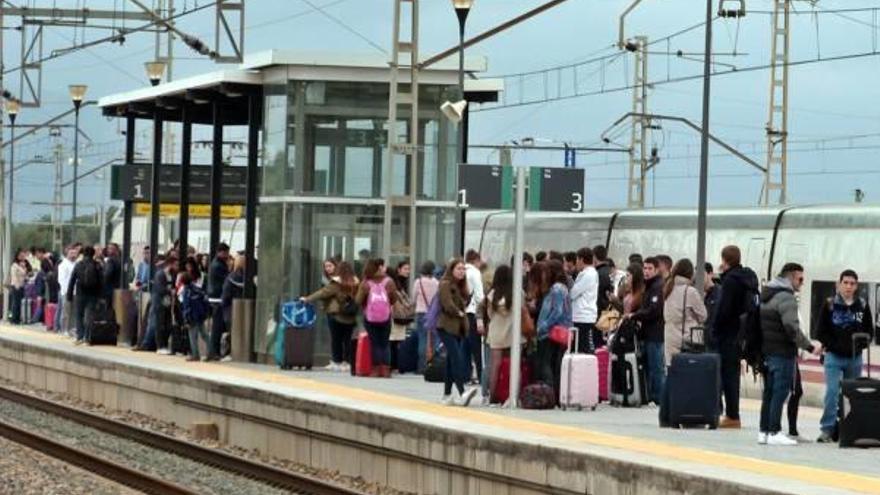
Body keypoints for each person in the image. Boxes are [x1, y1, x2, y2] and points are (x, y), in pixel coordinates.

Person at [758, 263, 821, 446]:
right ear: (791, 277)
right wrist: (810, 347)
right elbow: (791, 328)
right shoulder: (786, 298)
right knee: (780, 391)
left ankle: (764, 431)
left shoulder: (768, 294)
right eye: (800, 279)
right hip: (783, 352)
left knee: (769, 392)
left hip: (768, 351)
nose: (801, 284)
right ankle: (775, 431)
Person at [815, 269, 873, 443]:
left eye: (852, 283)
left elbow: (869, 330)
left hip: (855, 358)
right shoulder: (829, 304)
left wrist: (861, 344)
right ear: (839, 284)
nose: (848, 286)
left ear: (856, 286)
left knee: (852, 396)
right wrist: (834, 345)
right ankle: (827, 429)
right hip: (833, 356)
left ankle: (848, 429)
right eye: (845, 282)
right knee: (832, 393)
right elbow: (820, 331)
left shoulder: (862, 305)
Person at [713, 245, 759, 429]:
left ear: (725, 260)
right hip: (742, 334)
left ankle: (732, 415)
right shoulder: (748, 278)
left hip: (728, 334)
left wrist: (715, 329)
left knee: (728, 375)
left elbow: (724, 309)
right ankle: (733, 414)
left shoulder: (731, 281)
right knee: (732, 374)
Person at [659, 258, 707, 426]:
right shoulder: (690, 291)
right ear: (689, 273)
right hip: (686, 339)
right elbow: (703, 315)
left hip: (669, 336)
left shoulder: (668, 288)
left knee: (670, 376)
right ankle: (687, 416)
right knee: (687, 378)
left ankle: (664, 417)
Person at [436, 258, 478, 406]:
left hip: (458, 328)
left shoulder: (460, 286)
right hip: (445, 326)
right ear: (451, 270)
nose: (461, 272)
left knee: (450, 361)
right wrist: (459, 312)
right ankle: (462, 392)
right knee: (456, 357)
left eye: (463, 269)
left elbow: (463, 303)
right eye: (458, 269)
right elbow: (447, 304)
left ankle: (447, 395)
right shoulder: (445, 284)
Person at [304, 261, 359, 372]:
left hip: (337, 315)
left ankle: (337, 361)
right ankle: (347, 362)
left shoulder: (337, 283)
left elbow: (323, 292)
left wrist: (307, 299)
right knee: (347, 339)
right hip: (350, 315)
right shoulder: (356, 282)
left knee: (336, 339)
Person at [626, 257, 665, 405]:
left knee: (656, 368)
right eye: (645, 268)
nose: (646, 272)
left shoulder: (657, 286)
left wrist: (635, 315)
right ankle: (650, 395)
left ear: (656, 270)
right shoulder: (649, 286)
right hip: (647, 334)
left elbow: (653, 310)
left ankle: (660, 398)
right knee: (649, 366)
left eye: (650, 269)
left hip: (655, 334)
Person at [536, 260, 573, 402]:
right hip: (558, 330)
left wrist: (545, 325)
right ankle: (555, 394)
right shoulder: (562, 288)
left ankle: (550, 393)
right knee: (555, 364)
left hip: (553, 332)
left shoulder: (557, 289)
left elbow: (557, 311)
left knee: (547, 363)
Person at [356, 258, 397, 377]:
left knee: (374, 343)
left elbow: (358, 300)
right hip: (385, 316)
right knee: (385, 343)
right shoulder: (389, 281)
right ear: (379, 267)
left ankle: (375, 370)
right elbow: (394, 299)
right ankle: (385, 370)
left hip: (370, 317)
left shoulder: (366, 282)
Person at [484, 264, 517, 404]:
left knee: (495, 365)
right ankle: (512, 396)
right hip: (513, 332)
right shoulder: (516, 292)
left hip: (496, 331)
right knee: (513, 365)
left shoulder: (492, 294)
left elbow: (489, 314)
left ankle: (492, 396)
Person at [66, 245, 103, 345]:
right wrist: (100, 295)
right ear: (93, 254)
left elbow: (72, 280)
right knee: (90, 316)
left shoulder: (78, 264)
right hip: (93, 294)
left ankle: (80, 337)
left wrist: (69, 295)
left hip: (80, 294)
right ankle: (88, 338)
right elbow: (101, 281)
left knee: (79, 315)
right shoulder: (97, 265)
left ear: (83, 254)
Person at [571, 247, 600, 353]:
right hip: (583, 315)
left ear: (581, 260)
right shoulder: (591, 273)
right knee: (580, 346)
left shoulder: (587, 274)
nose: (576, 263)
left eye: (577, 260)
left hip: (583, 316)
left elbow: (573, 293)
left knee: (583, 347)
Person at [412, 261, 439, 373]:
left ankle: (422, 366)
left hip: (421, 312)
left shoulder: (418, 282)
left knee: (422, 339)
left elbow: (413, 298)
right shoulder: (437, 283)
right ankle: (435, 364)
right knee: (435, 339)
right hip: (434, 313)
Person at [206, 243, 231, 361]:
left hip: (214, 297)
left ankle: (213, 351)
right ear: (221, 252)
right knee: (217, 327)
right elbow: (228, 279)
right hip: (217, 298)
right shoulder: (219, 266)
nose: (227, 255)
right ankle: (213, 351)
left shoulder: (215, 263)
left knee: (217, 327)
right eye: (226, 252)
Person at [464, 250, 485, 384]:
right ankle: (481, 375)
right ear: (476, 260)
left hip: (461, 313)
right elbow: (479, 295)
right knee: (476, 347)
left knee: (464, 346)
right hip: (472, 312)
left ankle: (466, 374)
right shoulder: (475, 273)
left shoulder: (461, 271)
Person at [219, 255, 245, 360]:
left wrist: (223, 304)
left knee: (231, 331)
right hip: (242, 310)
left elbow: (225, 296)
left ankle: (230, 353)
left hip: (230, 309)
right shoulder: (247, 278)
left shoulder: (231, 278)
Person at [180, 272, 210, 362]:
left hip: (192, 316)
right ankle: (211, 351)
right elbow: (204, 299)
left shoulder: (186, 291)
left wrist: (186, 319)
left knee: (193, 336)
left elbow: (186, 306)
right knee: (204, 334)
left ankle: (195, 354)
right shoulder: (197, 289)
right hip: (200, 315)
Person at [390, 261, 413, 370]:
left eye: (408, 269)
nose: (408, 271)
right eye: (405, 269)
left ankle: (395, 365)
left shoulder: (402, 282)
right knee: (394, 340)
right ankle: (394, 365)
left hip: (399, 315)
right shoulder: (397, 282)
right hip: (397, 315)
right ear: (398, 270)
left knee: (396, 340)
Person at [8, 249, 29, 324]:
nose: (22, 257)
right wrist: (16, 285)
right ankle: (13, 319)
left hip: (22, 286)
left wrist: (24, 267)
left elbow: (25, 275)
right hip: (16, 286)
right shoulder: (14, 265)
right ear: (17, 256)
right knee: (15, 303)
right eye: (21, 256)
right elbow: (14, 276)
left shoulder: (23, 265)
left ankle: (17, 318)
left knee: (19, 303)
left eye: (23, 256)